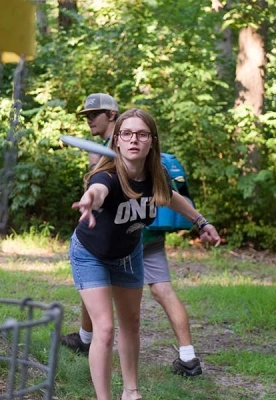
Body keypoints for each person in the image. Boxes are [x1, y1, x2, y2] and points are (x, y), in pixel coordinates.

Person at [68, 107, 220, 400]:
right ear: (117, 141)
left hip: (128, 253)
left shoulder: (156, 174)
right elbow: (97, 191)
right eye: (126, 133)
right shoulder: (108, 177)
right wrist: (89, 199)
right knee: (105, 328)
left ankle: (131, 392)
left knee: (132, 324)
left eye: (141, 134)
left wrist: (201, 222)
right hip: (91, 255)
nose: (133, 139)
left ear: (152, 140)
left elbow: (173, 198)